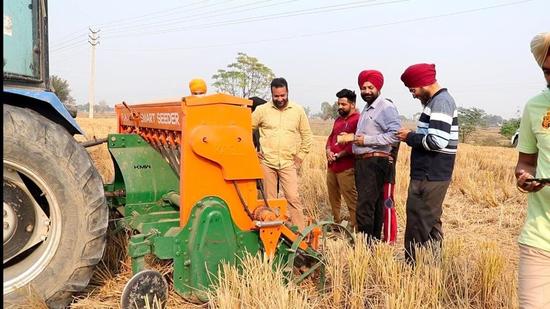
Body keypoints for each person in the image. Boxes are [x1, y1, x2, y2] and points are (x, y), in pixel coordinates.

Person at [396, 63, 459, 264]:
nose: (413, 95)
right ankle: (432, 268)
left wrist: (410, 137)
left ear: (423, 83)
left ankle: (415, 269)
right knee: (430, 224)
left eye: (412, 90)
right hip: (431, 174)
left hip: (430, 174)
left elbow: (437, 141)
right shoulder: (437, 102)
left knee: (418, 224)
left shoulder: (441, 103)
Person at [514, 32, 550, 309]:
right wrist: (524, 178)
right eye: (547, 72)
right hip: (540, 239)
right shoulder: (536, 106)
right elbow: (526, 162)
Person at [252, 78, 312, 230]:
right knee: (269, 201)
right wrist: (252, 151)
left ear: (287, 92)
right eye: (276, 96)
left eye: (282, 95)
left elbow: (307, 136)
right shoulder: (262, 110)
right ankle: (272, 232)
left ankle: (300, 234)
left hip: (287, 163)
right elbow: (244, 129)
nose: (280, 99)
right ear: (272, 94)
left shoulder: (297, 111)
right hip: (267, 163)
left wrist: (300, 158)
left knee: (293, 198)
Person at [352, 70, 400, 241]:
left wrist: (366, 140)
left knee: (366, 206)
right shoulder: (366, 108)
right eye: (363, 87)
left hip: (374, 161)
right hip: (364, 162)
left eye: (370, 87)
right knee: (372, 205)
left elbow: (395, 135)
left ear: (378, 87)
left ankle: (365, 244)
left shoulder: (385, 106)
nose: (366, 91)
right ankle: (372, 242)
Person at [325, 89, 359, 229]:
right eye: (339, 104)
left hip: (347, 167)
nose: (340, 107)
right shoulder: (338, 120)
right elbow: (331, 137)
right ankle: (336, 225)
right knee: (333, 199)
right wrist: (328, 150)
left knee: (351, 200)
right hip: (332, 166)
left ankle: (357, 229)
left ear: (352, 104)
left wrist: (340, 154)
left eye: (343, 104)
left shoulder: (359, 120)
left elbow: (356, 144)